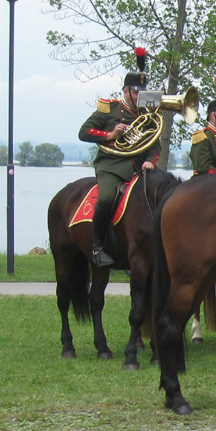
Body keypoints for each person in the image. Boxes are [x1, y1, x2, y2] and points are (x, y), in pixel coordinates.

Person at [77, 47, 160, 268]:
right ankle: (97, 247)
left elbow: (155, 143)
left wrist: (151, 159)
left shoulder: (147, 114)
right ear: (125, 91)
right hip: (111, 166)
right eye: (135, 93)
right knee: (105, 198)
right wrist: (110, 135)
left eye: (141, 93)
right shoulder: (109, 109)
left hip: (139, 168)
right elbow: (84, 132)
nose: (139, 97)